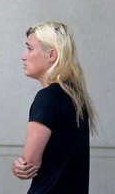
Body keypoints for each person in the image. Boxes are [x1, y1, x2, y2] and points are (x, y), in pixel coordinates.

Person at [11, 21, 97, 193]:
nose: (23, 56)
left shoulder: (48, 98)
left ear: (51, 55)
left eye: (29, 48)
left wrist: (18, 166)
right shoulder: (76, 97)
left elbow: (29, 164)